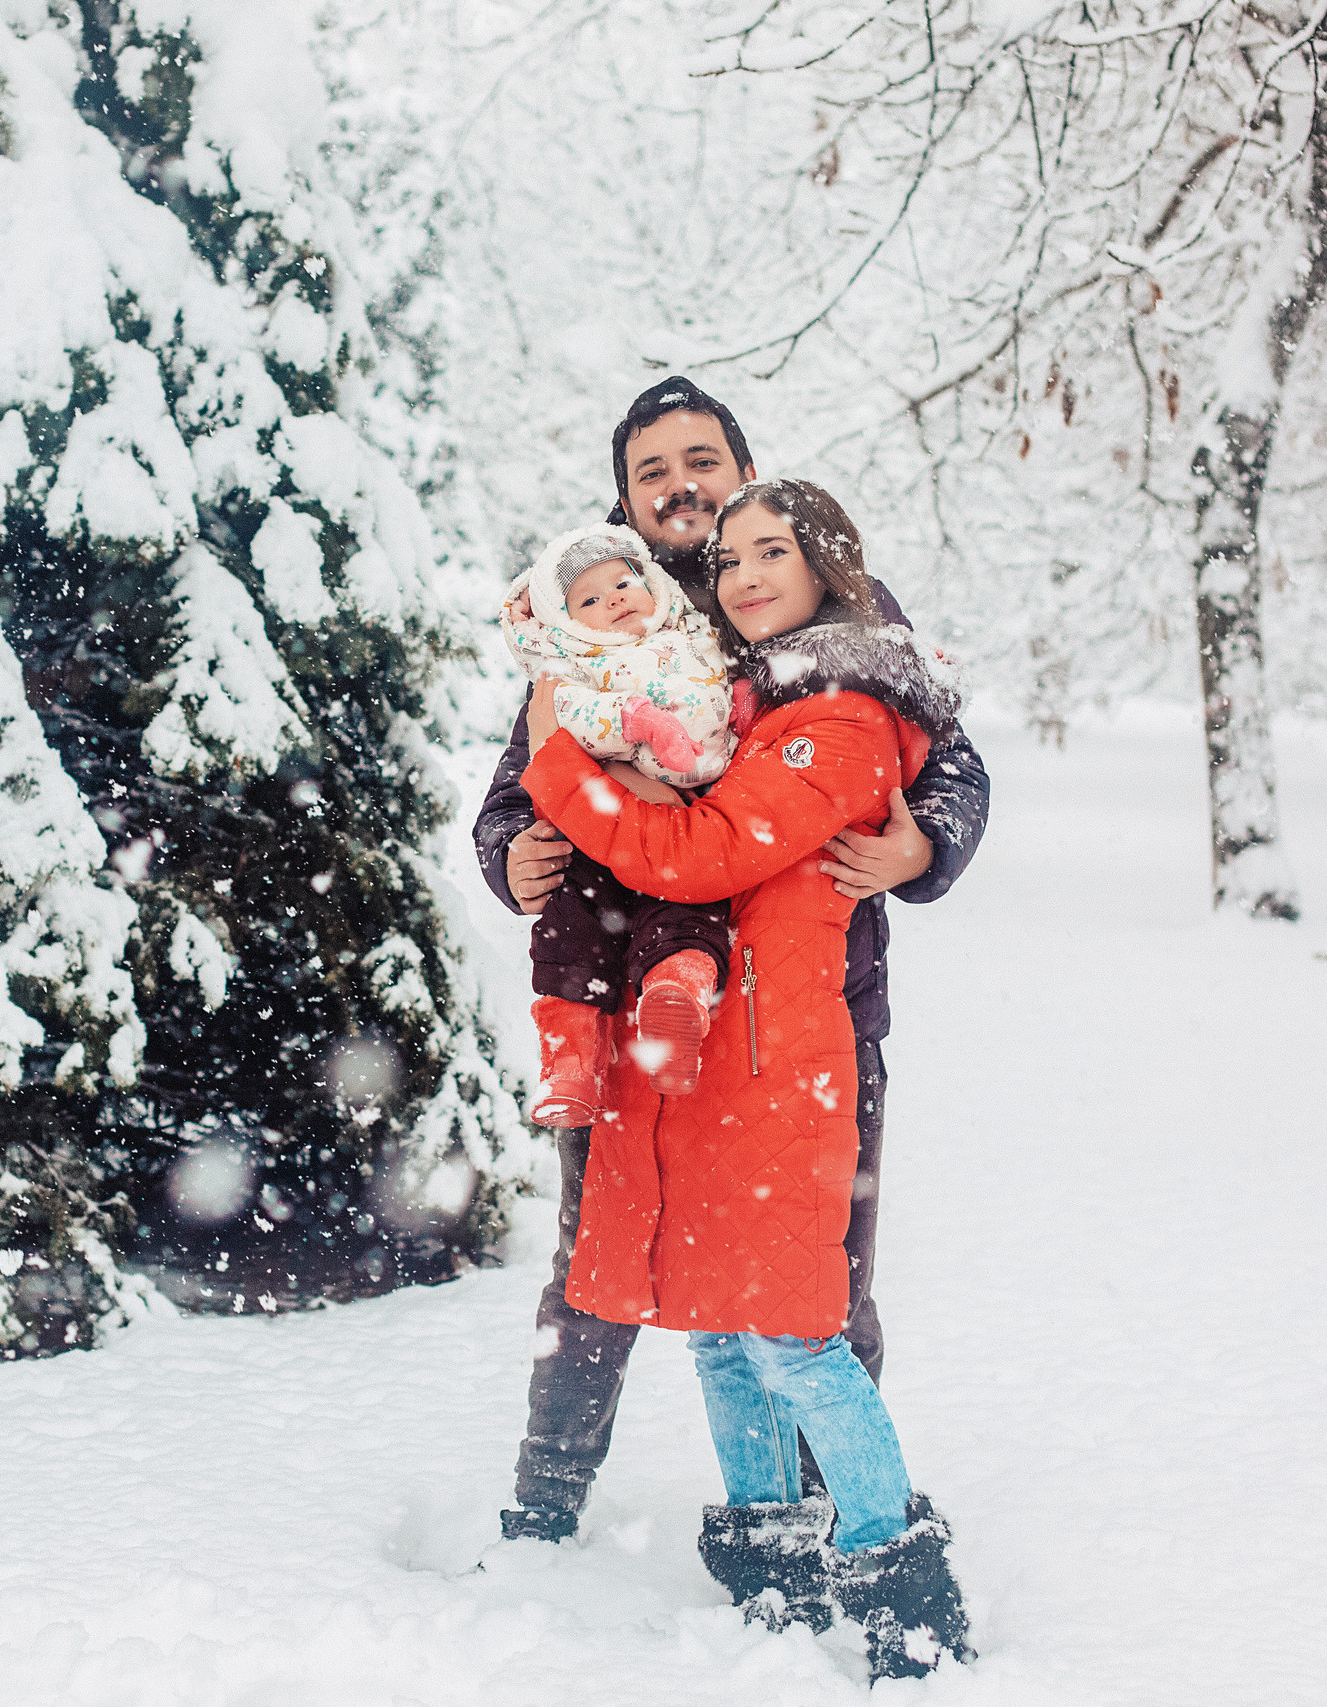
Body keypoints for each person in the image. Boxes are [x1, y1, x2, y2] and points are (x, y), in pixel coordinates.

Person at [473, 376, 991, 1541]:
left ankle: (819, 1507)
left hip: (811, 1012)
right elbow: (520, 779)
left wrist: (926, 837)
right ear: (623, 498)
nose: (681, 486)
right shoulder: (600, 614)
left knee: (814, 1283)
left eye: (700, 459)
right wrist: (509, 853)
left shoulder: (815, 603)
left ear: (743, 468)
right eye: (652, 470)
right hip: (627, 1006)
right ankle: (546, 1508)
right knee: (594, 1268)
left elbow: (946, 750)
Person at [497, 524, 737, 1124]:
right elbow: (556, 727)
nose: (615, 599)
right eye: (590, 601)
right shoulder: (573, 666)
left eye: (624, 582)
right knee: (572, 930)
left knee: (689, 905)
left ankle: (675, 996)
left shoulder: (696, 636)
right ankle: (570, 1062)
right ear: (569, 624)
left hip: (683, 829)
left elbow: (725, 690)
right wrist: (633, 722)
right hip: (593, 833)